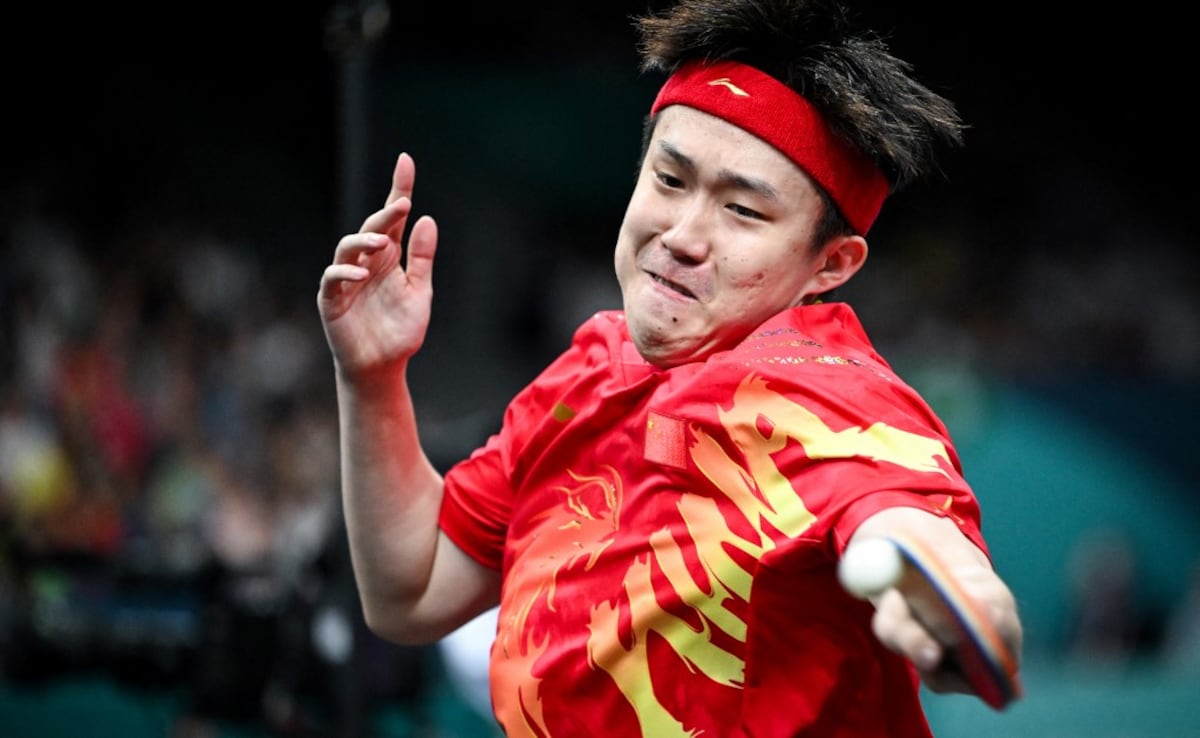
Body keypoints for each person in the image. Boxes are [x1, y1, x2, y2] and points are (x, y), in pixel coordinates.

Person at [316, 0, 1023, 735]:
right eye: (670, 179)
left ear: (830, 264)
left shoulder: (833, 398)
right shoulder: (589, 371)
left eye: (744, 211)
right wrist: (371, 378)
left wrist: (953, 597)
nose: (683, 236)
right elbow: (414, 592)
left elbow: (907, 527)